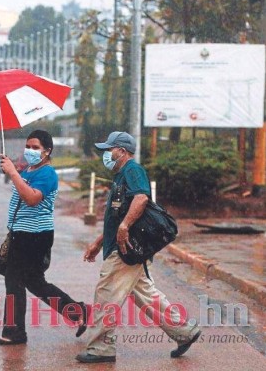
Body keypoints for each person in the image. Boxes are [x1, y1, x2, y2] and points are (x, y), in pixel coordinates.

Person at [76, 131, 201, 364]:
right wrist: (97, 243)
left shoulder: (132, 170)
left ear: (121, 151)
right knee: (146, 295)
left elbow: (141, 199)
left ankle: (102, 347)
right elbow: (116, 217)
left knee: (107, 294)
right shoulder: (120, 176)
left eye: (109, 149)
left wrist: (124, 227)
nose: (106, 154)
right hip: (123, 246)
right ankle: (185, 332)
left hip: (126, 249)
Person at [0, 130, 87, 345]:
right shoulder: (29, 170)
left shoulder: (47, 174)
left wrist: (14, 174)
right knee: (34, 281)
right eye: (28, 146)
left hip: (33, 236)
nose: (30, 151)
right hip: (22, 233)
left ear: (47, 151)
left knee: (14, 280)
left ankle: (14, 333)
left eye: (36, 148)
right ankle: (77, 311)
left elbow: (33, 199)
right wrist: (14, 172)